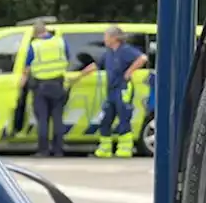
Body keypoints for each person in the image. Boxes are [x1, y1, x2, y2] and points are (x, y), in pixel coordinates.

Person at [76, 26, 149, 158]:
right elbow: (96, 65)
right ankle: (105, 149)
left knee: (124, 118)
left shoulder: (126, 50)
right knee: (106, 119)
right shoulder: (108, 53)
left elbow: (142, 58)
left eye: (106, 36)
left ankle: (125, 148)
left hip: (123, 89)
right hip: (111, 90)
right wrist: (80, 75)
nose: (104, 39)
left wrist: (129, 72)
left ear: (114, 38)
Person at [22, 21, 70, 156]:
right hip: (58, 84)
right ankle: (58, 150)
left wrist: (23, 80)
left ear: (36, 34)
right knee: (57, 118)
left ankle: (43, 150)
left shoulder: (35, 46)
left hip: (40, 86)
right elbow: (67, 58)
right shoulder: (60, 42)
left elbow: (27, 66)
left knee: (43, 119)